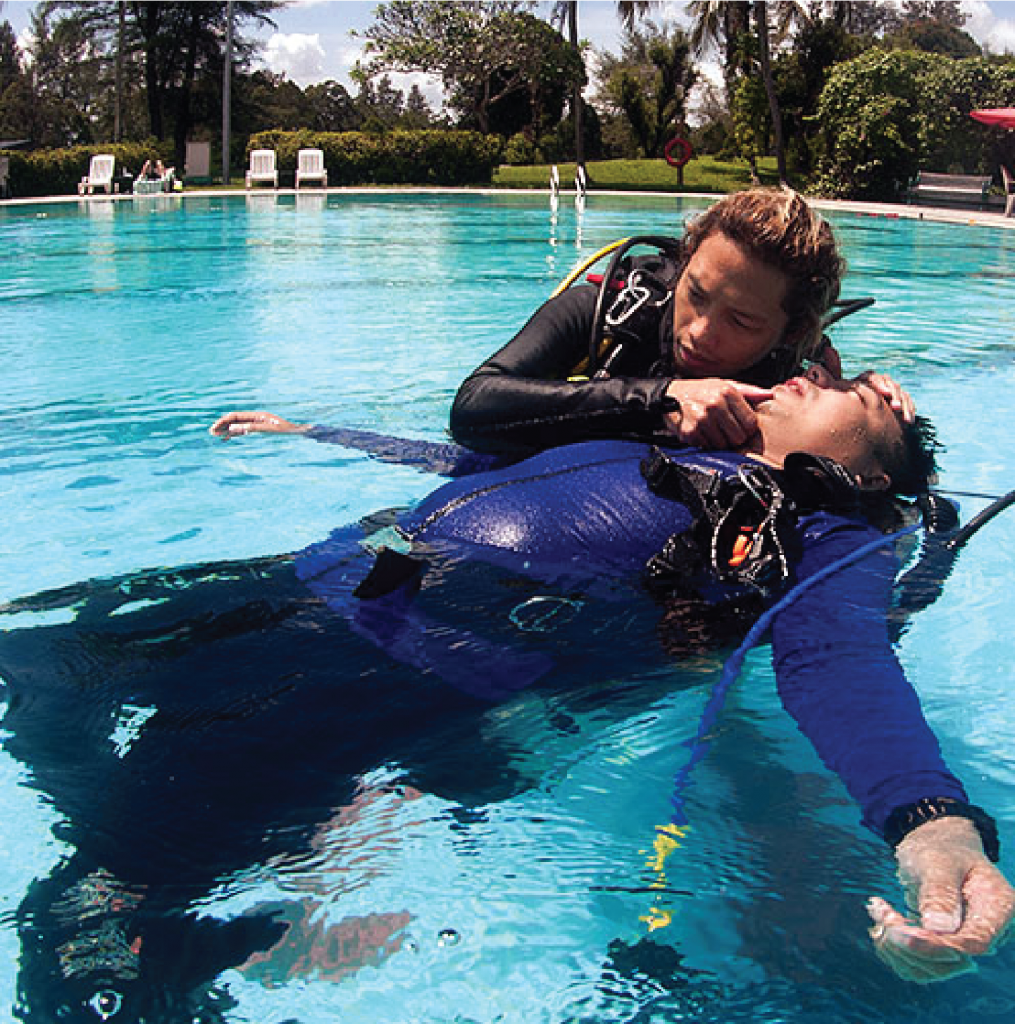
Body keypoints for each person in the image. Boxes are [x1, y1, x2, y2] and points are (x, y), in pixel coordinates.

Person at [5, 366, 1010, 1006]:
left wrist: (930, 822)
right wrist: (314, 432)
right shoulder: (668, 435)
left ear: (866, 475)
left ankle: (176, 945)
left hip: (363, 672)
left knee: (90, 917)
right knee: (35, 665)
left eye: (857, 397)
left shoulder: (820, 523)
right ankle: (235, 903)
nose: (804, 375)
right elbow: (471, 461)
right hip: (291, 585)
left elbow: (838, 658)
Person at [210, 187, 914, 453]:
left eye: (739, 321)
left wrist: (870, 400)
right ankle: (306, 429)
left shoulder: (794, 366)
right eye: (696, 293)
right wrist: (660, 397)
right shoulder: (610, 308)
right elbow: (474, 409)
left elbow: (865, 460)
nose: (699, 331)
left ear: (788, 333)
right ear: (685, 258)